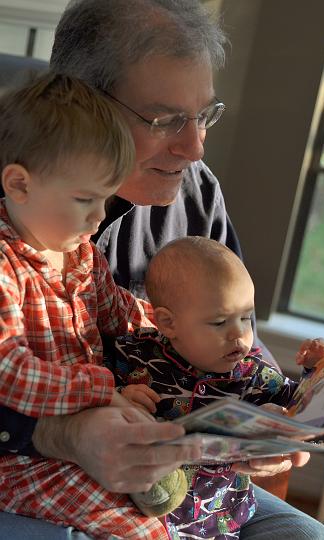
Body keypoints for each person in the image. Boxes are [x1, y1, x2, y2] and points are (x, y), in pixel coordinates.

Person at [0, 1, 324, 539]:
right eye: (166, 120)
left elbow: (233, 328)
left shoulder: (195, 192)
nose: (195, 145)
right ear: (84, 103)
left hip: (183, 474)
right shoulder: (14, 220)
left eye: (204, 114)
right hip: (32, 463)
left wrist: (272, 418)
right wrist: (61, 433)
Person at [0, 72, 199, 539]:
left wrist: (184, 329)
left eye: (105, 199)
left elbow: (123, 314)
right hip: (19, 457)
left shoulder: (80, 252)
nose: (97, 217)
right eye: (86, 199)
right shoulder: (5, 266)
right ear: (19, 185)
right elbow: (7, 370)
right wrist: (96, 389)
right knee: (138, 531)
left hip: (97, 427)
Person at [107, 236, 324, 538]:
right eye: (218, 323)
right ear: (168, 323)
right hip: (137, 514)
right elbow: (96, 387)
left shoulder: (253, 374)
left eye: (245, 318)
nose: (238, 335)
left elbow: (298, 405)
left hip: (218, 521)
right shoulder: (134, 354)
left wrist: (315, 370)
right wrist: (121, 396)